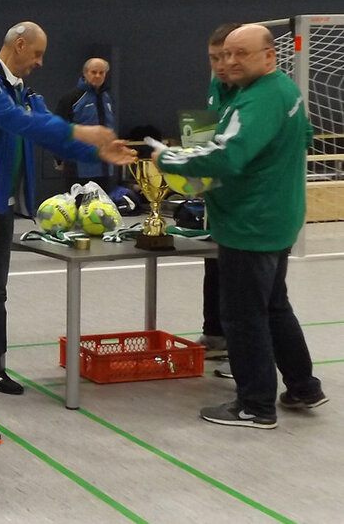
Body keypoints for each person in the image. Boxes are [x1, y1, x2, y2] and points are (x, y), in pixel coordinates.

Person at [0, 22, 135, 403]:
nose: (40, 62)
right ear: (19, 45)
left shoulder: (25, 91)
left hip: (4, 205)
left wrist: (97, 152)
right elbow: (17, 122)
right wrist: (83, 134)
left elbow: (45, 132)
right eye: (37, 54)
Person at [155, 24, 328, 429]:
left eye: (240, 54)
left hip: (251, 224)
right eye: (223, 56)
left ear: (270, 55)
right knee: (273, 306)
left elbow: (227, 156)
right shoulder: (279, 91)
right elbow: (302, 136)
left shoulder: (261, 99)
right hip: (276, 218)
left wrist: (168, 159)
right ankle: (303, 386)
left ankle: (255, 405)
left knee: (244, 316)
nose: (229, 63)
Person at [196, 23, 241, 358]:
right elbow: (204, 129)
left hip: (251, 210)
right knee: (214, 264)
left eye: (226, 56)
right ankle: (215, 335)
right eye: (214, 58)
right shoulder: (216, 84)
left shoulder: (258, 94)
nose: (220, 65)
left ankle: (247, 357)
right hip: (218, 203)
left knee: (259, 295)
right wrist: (194, 180)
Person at [55, 57, 116, 189]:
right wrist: (59, 158)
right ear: (85, 73)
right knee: (78, 207)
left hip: (104, 167)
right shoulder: (72, 98)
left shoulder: (107, 98)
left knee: (102, 208)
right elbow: (58, 128)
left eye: (102, 72)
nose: (98, 76)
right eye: (94, 72)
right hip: (78, 168)